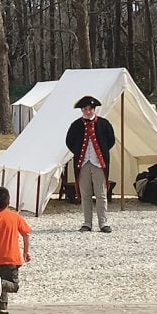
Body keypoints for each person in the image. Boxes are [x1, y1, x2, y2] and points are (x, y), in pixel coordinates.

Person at [65, 95, 116, 233]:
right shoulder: (76, 125)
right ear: (82, 110)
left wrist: (102, 153)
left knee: (101, 194)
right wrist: (77, 151)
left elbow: (110, 141)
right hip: (82, 164)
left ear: (94, 109)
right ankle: (87, 223)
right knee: (85, 194)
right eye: (85, 109)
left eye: (90, 109)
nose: (88, 111)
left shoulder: (104, 124)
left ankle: (103, 223)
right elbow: (69, 142)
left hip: (98, 163)